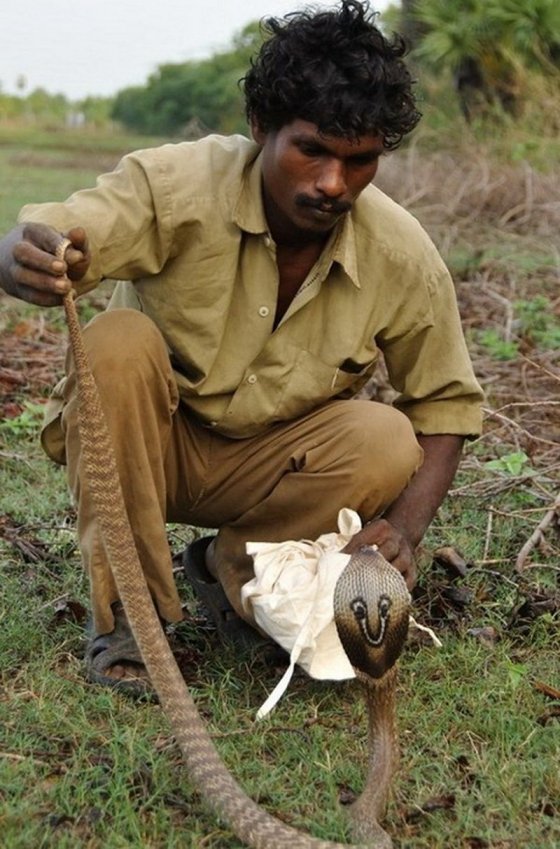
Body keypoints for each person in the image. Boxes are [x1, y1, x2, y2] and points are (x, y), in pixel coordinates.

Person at [0, 0, 483, 695]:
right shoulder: (177, 185)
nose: (332, 183)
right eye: (311, 150)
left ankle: (233, 570)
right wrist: (24, 258)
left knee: (386, 434)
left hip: (272, 468)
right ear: (262, 128)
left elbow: (445, 407)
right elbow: (58, 233)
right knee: (116, 342)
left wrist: (405, 530)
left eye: (360, 161)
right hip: (148, 448)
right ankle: (132, 616)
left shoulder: (400, 251)